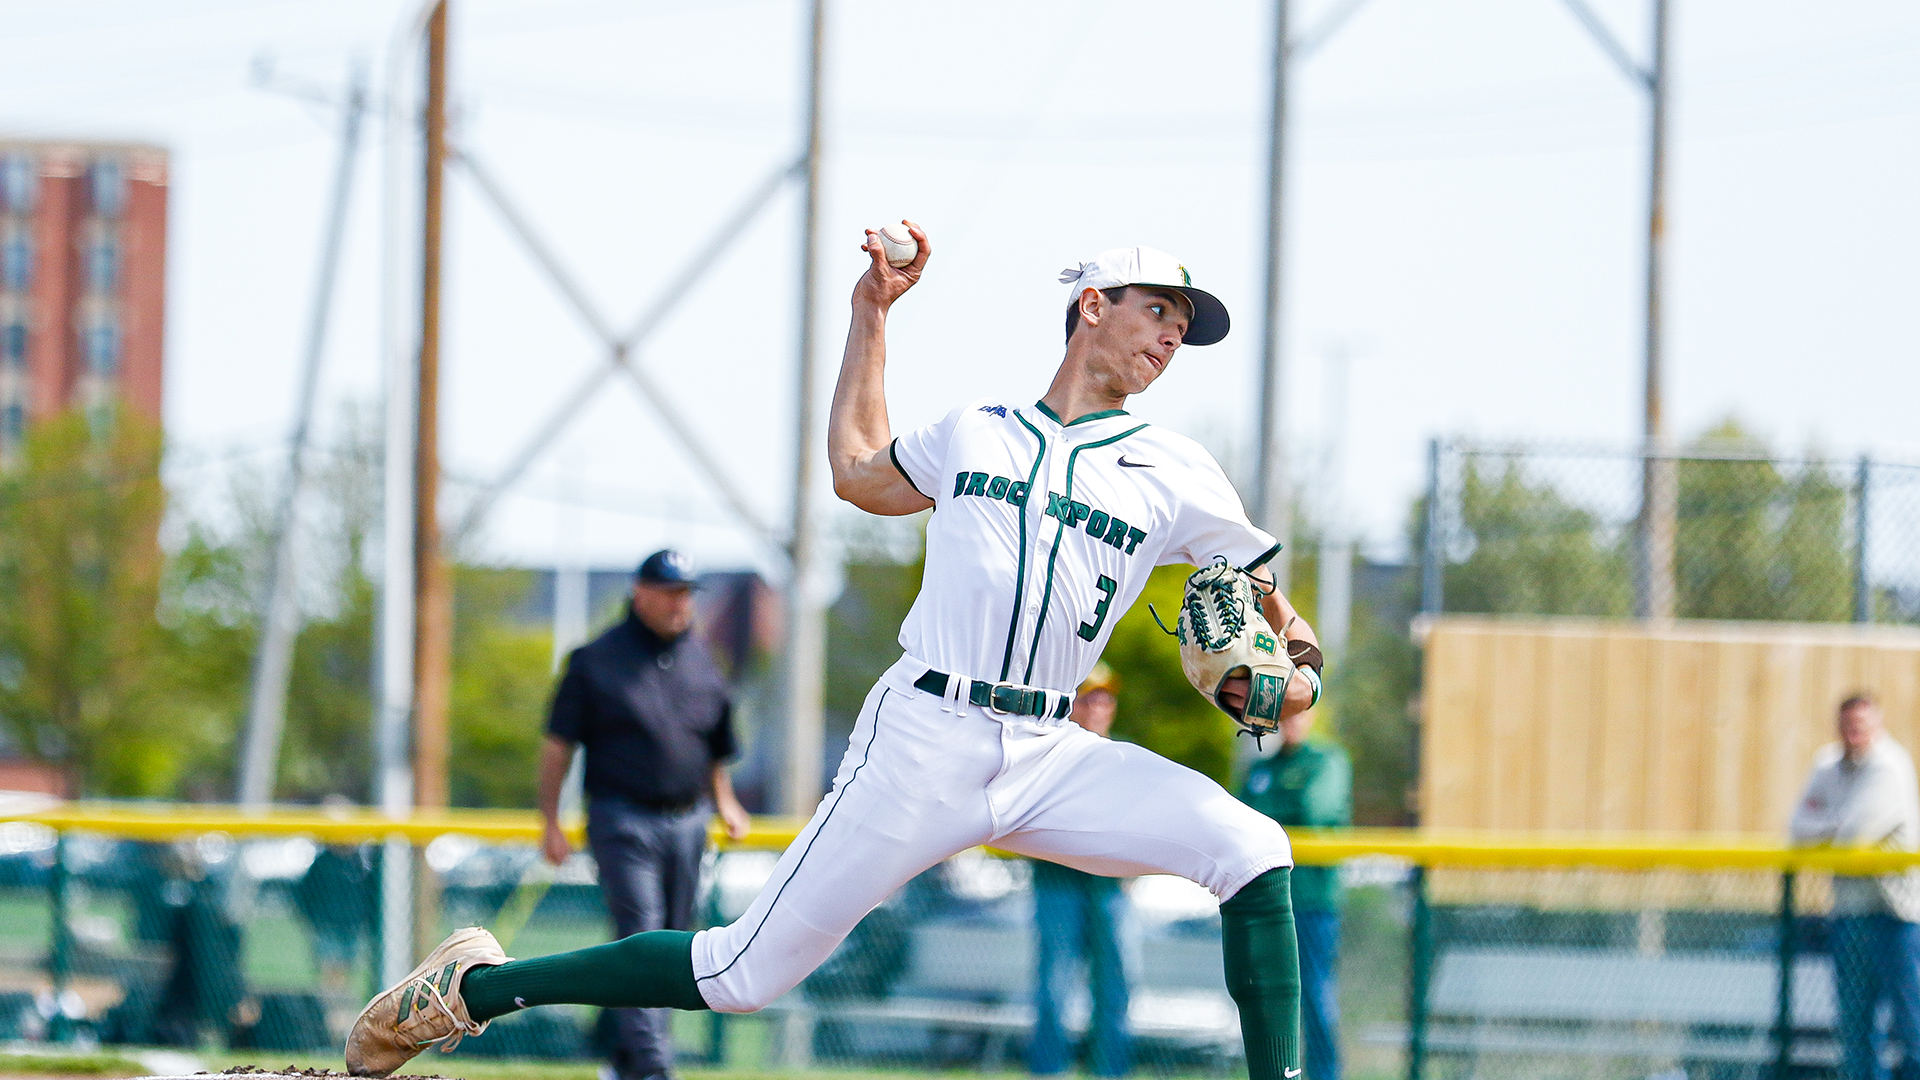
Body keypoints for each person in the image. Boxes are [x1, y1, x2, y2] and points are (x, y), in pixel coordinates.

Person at [346, 228, 1322, 1080]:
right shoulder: (978, 431)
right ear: (1092, 306)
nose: (1170, 338)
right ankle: (476, 988)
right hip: (927, 737)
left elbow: (1269, 595)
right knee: (737, 974)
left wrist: (1301, 663)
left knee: (1250, 848)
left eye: (1182, 329)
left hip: (1052, 753)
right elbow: (859, 471)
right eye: (1158, 311)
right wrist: (872, 314)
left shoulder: (1176, 468)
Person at [536, 549, 752, 1080]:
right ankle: (655, 1069)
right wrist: (549, 819)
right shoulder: (594, 660)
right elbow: (557, 746)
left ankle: (623, 1061)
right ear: (641, 592)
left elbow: (713, 746)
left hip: (687, 820)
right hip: (621, 819)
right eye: (671, 592)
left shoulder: (703, 660)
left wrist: (724, 799)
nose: (681, 603)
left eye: (687, 593)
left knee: (675, 943)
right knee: (641, 932)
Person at [1789, 692, 1920, 1080]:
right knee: (1855, 1028)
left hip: (1898, 917)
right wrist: (1836, 825)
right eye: (1848, 725)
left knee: (1911, 1022)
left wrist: (1827, 826)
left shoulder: (1889, 765)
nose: (1854, 733)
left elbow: (1854, 836)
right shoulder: (1827, 764)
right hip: (1850, 913)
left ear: (1877, 727)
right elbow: (1796, 829)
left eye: (1862, 726)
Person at [1030, 663, 1133, 1077]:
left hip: (1109, 889)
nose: (1099, 706)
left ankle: (1109, 1073)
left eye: (1106, 698)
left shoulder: (1125, 758)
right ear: (1073, 704)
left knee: (1115, 988)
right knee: (1053, 989)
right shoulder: (1050, 752)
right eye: (1090, 697)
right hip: (1058, 881)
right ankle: (1048, 1071)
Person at [1239, 706, 1351, 1080]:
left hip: (1311, 901)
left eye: (1299, 711)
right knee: (1266, 996)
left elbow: (1315, 809)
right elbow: (1241, 818)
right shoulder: (1261, 769)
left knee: (1315, 994)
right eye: (1285, 712)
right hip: (1268, 901)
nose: (1292, 720)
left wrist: (1270, 813)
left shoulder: (1327, 761)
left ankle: (1324, 1074)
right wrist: (1282, 809)